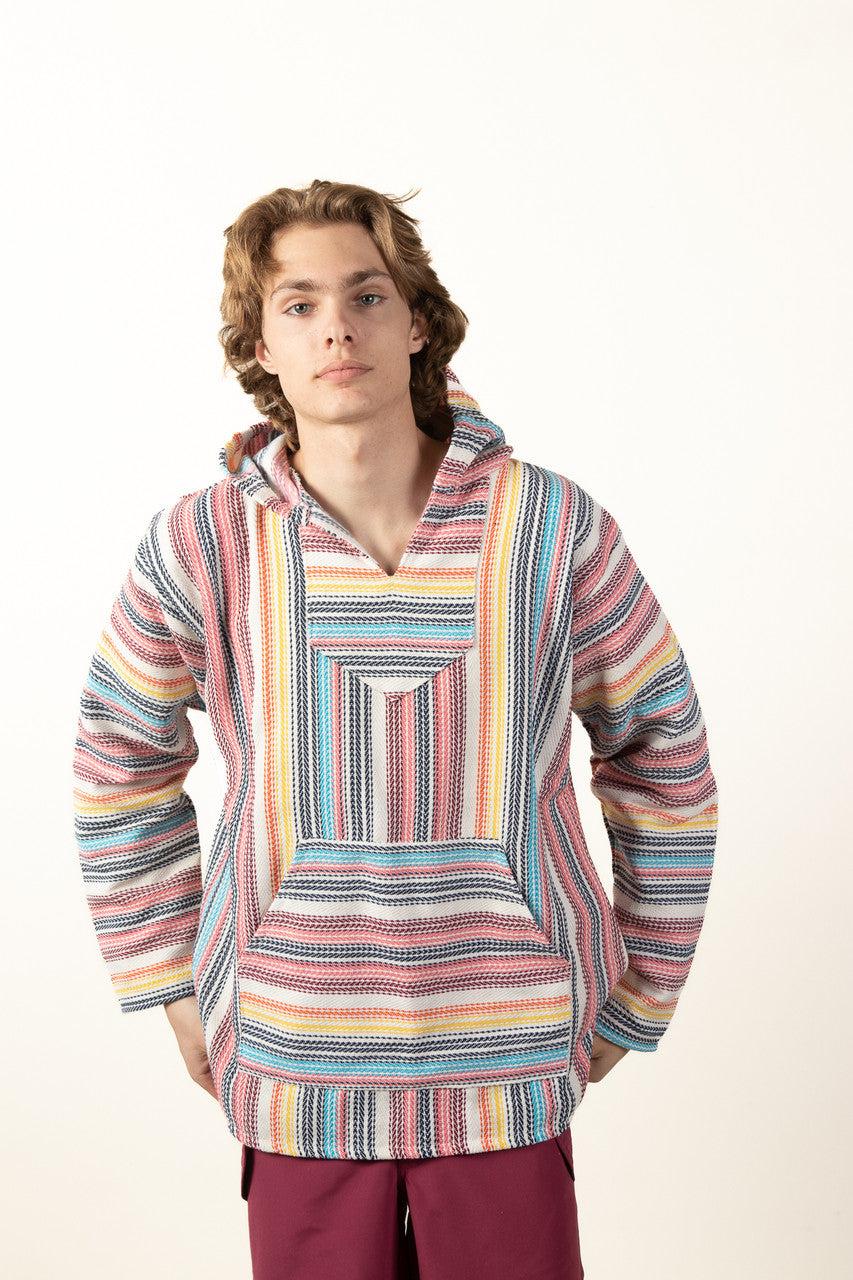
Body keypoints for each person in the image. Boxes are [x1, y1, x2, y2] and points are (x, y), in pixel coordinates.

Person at [72, 179, 718, 1280]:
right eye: (299, 304)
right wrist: (170, 981)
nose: (337, 327)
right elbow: (118, 761)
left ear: (416, 321)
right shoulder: (201, 543)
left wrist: (643, 987)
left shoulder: (551, 527)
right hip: (293, 1049)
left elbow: (662, 754)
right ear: (261, 345)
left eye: (367, 296)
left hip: (509, 1045)